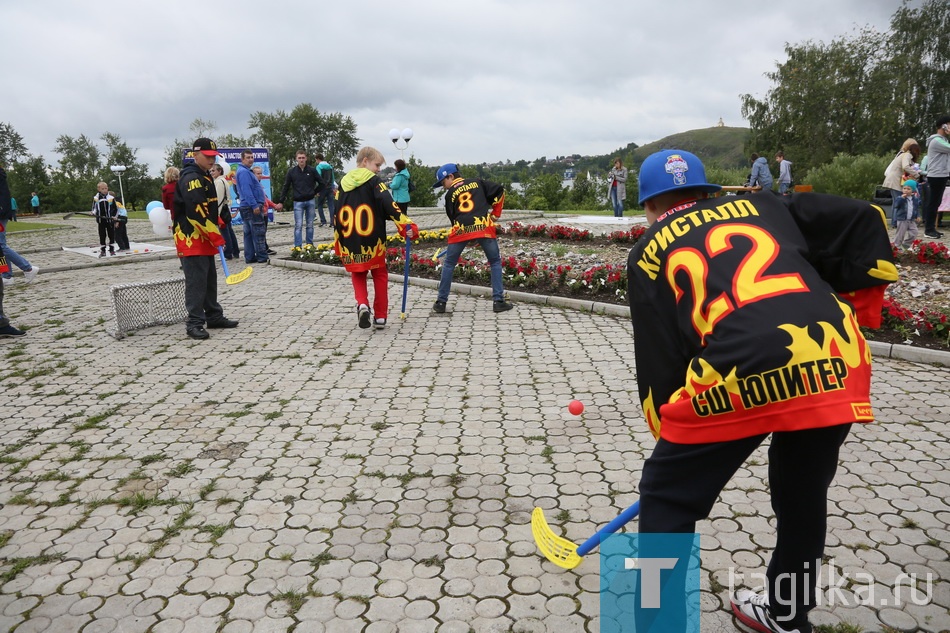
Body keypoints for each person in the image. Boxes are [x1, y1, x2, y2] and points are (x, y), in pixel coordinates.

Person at [626, 149, 897, 633]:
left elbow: (662, 357)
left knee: (665, 497)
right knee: (802, 491)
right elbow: (864, 216)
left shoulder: (647, 249)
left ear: (649, 206)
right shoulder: (768, 204)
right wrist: (849, 294)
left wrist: (670, 438)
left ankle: (656, 622)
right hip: (836, 352)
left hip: (739, 362)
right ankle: (787, 617)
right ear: (709, 190)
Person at [333, 146, 418, 330]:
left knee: (358, 273)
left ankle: (362, 304)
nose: (379, 169)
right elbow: (390, 205)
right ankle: (380, 316)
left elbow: (336, 213)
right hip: (373, 239)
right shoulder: (374, 182)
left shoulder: (342, 183)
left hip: (350, 238)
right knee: (380, 274)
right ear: (365, 161)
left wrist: (338, 239)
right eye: (377, 165)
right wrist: (406, 226)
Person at [172, 138, 238, 340]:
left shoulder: (204, 176)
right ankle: (194, 322)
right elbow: (195, 213)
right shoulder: (192, 179)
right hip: (191, 237)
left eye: (213, 157)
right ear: (195, 154)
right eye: (208, 156)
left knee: (209, 279)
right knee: (196, 281)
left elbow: (206, 207)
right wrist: (215, 234)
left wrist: (216, 218)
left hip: (204, 236)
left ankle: (214, 315)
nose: (211, 160)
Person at [431, 163, 514, 314]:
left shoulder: (449, 195)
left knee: (449, 264)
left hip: (461, 230)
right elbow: (499, 191)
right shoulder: (478, 182)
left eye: (443, 183)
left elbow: (453, 217)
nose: (444, 187)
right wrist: (496, 214)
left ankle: (441, 302)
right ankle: (498, 301)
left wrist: (467, 236)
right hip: (483, 227)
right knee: (495, 262)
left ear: (451, 176)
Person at [0, 164, 39, 285]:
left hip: (1, 213)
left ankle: (28, 268)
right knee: (1, 246)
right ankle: (7, 275)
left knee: (1, 246)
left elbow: (3, 197)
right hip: (2, 212)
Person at [280, 150, 321, 248]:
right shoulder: (292, 171)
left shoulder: (312, 170)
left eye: (303, 157)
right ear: (296, 159)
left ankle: (309, 245)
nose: (301, 160)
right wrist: (281, 201)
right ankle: (298, 246)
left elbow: (322, 182)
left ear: (306, 158)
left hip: (310, 200)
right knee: (298, 225)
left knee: (310, 224)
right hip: (298, 202)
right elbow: (286, 186)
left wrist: (314, 192)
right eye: (299, 158)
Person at [234, 150, 268, 263]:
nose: (250, 159)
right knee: (258, 232)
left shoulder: (245, 171)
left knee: (248, 233)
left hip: (246, 206)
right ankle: (262, 256)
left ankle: (250, 256)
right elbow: (247, 190)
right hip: (251, 206)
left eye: (252, 157)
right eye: (248, 157)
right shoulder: (244, 172)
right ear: (242, 159)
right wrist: (254, 205)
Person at [922, 115, 950, 239]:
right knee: (933, 203)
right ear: (944, 126)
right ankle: (928, 230)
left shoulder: (943, 140)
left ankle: (931, 228)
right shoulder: (937, 141)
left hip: (942, 174)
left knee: (936, 202)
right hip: (936, 175)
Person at [882, 138, 921, 227]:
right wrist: (917, 175)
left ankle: (895, 222)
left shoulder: (903, 154)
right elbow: (906, 167)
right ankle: (896, 223)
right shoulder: (907, 155)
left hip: (893, 180)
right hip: (895, 180)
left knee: (896, 201)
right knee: (899, 201)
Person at [212, 164, 240, 260]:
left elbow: (218, 199)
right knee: (229, 231)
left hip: (222, 209)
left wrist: (217, 214)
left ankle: (228, 252)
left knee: (225, 232)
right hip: (225, 208)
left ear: (219, 171)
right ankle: (235, 251)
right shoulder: (223, 180)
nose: (212, 173)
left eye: (213, 171)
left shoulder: (219, 182)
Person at [252, 165, 280, 255]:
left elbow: (265, 199)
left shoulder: (259, 184)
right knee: (259, 232)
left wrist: (274, 205)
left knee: (263, 232)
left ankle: (264, 247)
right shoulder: (253, 185)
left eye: (261, 173)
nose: (260, 175)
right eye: (258, 174)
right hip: (259, 211)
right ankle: (261, 249)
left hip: (265, 212)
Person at [892, 179, 921, 251]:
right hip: (902, 219)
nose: (906, 190)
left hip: (911, 220)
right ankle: (896, 246)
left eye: (908, 189)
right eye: (904, 188)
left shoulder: (915, 199)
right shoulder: (900, 198)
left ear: (913, 190)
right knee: (900, 234)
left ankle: (906, 244)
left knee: (914, 232)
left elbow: (916, 208)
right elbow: (896, 205)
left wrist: (917, 215)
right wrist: (902, 198)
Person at [92, 182, 119, 257]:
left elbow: (115, 209)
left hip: (110, 220)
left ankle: (112, 249)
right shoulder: (96, 198)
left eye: (106, 188)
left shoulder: (111, 198)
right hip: (101, 220)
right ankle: (103, 250)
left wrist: (114, 216)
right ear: (99, 189)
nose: (104, 190)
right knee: (102, 235)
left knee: (111, 235)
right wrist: (93, 213)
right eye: (102, 189)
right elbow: (94, 208)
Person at [315, 153, 336, 228]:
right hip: (330, 188)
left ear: (317, 159)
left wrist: (317, 190)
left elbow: (318, 178)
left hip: (322, 188)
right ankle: (332, 222)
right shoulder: (330, 167)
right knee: (331, 205)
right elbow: (333, 178)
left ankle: (323, 221)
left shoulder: (319, 167)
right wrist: (332, 187)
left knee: (320, 205)